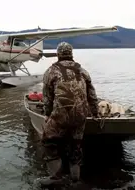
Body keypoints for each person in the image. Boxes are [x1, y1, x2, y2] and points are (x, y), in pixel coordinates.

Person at [37, 42, 99, 187]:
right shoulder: (82, 70)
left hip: (61, 115)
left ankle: (56, 177)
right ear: (71, 54)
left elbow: (47, 98)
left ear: (58, 54)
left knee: (48, 140)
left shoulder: (51, 71)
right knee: (75, 145)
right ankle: (75, 180)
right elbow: (92, 95)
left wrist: (48, 115)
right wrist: (95, 113)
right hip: (81, 115)